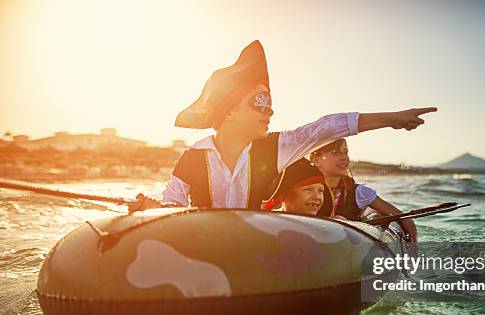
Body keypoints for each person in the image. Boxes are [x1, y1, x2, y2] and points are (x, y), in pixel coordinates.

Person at [128, 40, 437, 212]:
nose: (269, 112)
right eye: (259, 104)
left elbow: (327, 127)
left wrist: (391, 119)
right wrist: (150, 208)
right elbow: (172, 205)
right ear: (230, 113)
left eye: (270, 104)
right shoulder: (192, 158)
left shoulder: (274, 148)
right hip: (206, 244)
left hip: (254, 245)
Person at [309, 138, 418, 245]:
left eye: (345, 152)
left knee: (339, 219)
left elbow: (404, 218)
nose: (344, 157)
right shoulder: (302, 192)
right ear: (316, 160)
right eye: (335, 152)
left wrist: (412, 253)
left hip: (348, 247)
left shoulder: (359, 192)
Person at [261, 158, 332, 216]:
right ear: (285, 195)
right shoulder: (269, 222)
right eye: (308, 189)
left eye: (320, 190)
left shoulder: (326, 227)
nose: (317, 196)